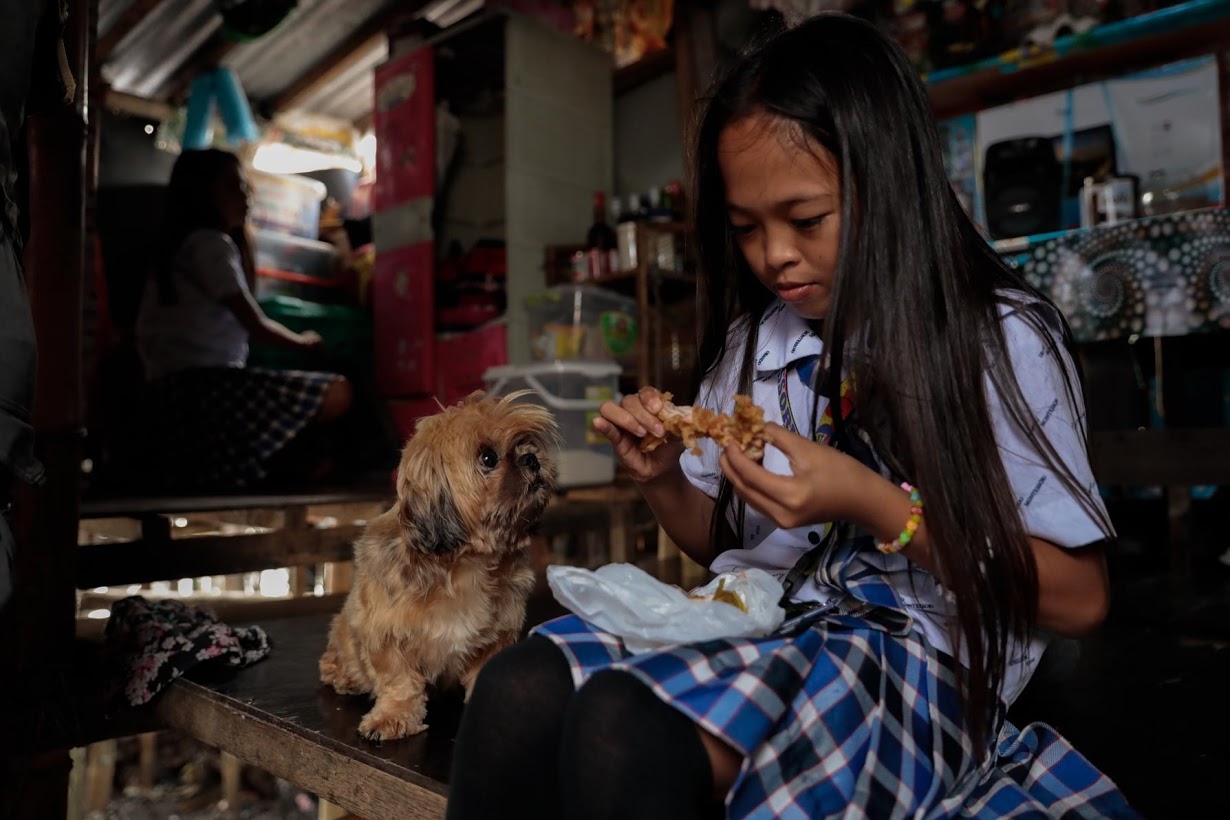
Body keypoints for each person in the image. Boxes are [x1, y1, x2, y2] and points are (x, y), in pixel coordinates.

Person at [445, 13, 1138, 819]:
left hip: (915, 663)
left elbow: (1080, 600)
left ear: (890, 185)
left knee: (622, 726)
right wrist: (666, 479)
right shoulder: (756, 345)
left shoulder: (996, 338)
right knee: (518, 687)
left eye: (806, 220)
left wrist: (876, 505)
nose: (774, 254)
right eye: (746, 229)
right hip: (767, 617)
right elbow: (728, 542)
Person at [135, 149, 352, 491]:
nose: (247, 195)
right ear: (202, 193)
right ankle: (288, 471)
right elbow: (255, 325)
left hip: (169, 397)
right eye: (235, 186)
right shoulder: (211, 244)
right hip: (207, 392)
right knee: (337, 390)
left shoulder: (178, 247)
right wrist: (304, 341)